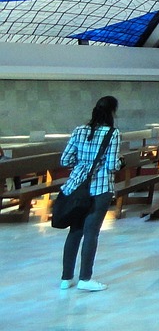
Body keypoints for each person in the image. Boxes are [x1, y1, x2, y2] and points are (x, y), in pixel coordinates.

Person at [59, 95, 121, 292]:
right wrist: (121, 163)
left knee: (75, 231)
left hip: (77, 187)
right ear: (112, 112)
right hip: (100, 188)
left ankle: (66, 278)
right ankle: (85, 278)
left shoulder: (79, 131)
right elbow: (112, 165)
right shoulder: (112, 133)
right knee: (91, 233)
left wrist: (82, 164)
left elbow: (65, 160)